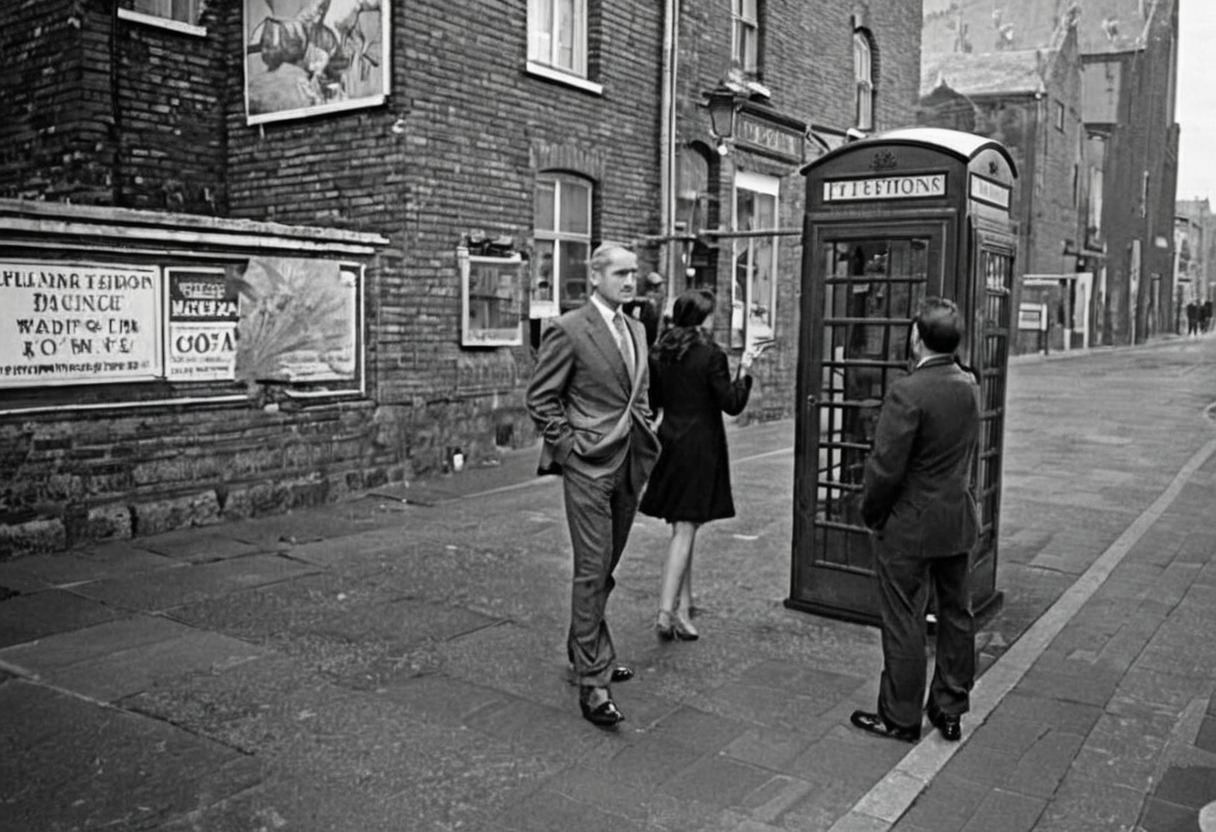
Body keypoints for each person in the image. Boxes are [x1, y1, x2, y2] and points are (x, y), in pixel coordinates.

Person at [526, 242, 661, 729]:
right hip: (589, 467)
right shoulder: (568, 328)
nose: (631, 281)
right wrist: (570, 450)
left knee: (606, 568)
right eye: (622, 274)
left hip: (629, 463)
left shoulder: (638, 328)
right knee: (591, 568)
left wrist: (648, 435)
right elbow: (541, 399)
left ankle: (586, 649)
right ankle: (593, 681)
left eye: (634, 274)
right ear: (597, 277)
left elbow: (639, 395)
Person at [849, 297, 981, 744]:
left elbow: (886, 467)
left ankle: (900, 717)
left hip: (909, 525)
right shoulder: (968, 383)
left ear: (916, 337)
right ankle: (949, 708)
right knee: (956, 615)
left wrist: (872, 513)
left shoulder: (908, 390)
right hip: (956, 519)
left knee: (905, 619)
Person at [639, 289, 759, 641]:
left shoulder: (660, 353)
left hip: (670, 442)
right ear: (703, 317)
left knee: (684, 528)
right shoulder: (711, 355)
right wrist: (745, 371)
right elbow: (732, 403)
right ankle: (665, 611)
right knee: (686, 529)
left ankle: (683, 611)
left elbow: (655, 401)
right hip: (701, 446)